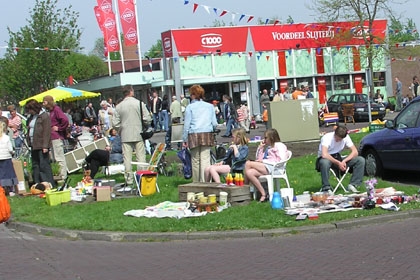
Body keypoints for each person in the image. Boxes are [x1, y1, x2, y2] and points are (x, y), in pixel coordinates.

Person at [113, 84, 151, 185]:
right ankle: (142, 178)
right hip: (138, 133)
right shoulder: (139, 103)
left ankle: (129, 180)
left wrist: (120, 130)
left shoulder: (119, 106)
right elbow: (147, 118)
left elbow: (115, 123)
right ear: (131, 91)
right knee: (141, 157)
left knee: (127, 159)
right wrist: (145, 125)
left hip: (125, 134)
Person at [183, 84, 218, 182]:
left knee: (195, 160)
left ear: (193, 95)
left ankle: (197, 182)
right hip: (207, 133)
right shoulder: (210, 106)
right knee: (205, 159)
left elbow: (186, 125)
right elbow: (215, 123)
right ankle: (206, 182)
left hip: (193, 134)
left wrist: (184, 139)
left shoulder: (190, 107)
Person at [316, 125, 365, 194]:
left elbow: (355, 152)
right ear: (335, 133)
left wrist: (344, 161)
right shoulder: (327, 137)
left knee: (360, 160)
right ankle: (326, 188)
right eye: (336, 138)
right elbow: (324, 154)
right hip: (326, 158)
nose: (337, 140)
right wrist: (338, 163)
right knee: (325, 163)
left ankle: (353, 184)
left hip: (338, 157)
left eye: (340, 139)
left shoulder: (346, 137)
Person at [244, 128, 288, 203]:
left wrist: (264, 161)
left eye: (266, 138)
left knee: (248, 163)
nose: (264, 139)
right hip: (267, 166)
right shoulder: (269, 147)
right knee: (249, 172)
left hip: (275, 168)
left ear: (271, 137)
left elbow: (281, 159)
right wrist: (261, 148)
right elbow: (258, 158)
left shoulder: (279, 145)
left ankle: (245, 189)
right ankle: (263, 193)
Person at [25, 99, 56, 187]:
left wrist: (45, 146)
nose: (29, 111)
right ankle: (37, 184)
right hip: (33, 144)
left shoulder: (44, 116)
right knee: (35, 165)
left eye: (30, 109)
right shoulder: (31, 117)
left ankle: (48, 184)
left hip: (42, 145)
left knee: (44, 165)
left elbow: (47, 132)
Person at [43, 95, 69, 181]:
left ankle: (63, 176)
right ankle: (59, 175)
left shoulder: (56, 109)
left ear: (49, 102)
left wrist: (59, 128)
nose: (43, 104)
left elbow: (65, 120)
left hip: (57, 137)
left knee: (59, 157)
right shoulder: (50, 111)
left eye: (45, 102)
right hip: (52, 137)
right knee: (55, 157)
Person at [0, 120, 18, 196]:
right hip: (6, 158)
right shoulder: (6, 138)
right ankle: (10, 190)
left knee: (1, 174)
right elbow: (10, 149)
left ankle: (2, 189)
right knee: (9, 174)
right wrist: (13, 152)